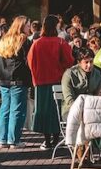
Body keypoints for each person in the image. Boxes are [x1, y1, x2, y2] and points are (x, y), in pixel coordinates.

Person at [27, 14, 75, 150]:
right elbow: (69, 61)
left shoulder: (36, 44)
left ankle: (46, 140)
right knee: (57, 111)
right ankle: (56, 138)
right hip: (58, 81)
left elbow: (30, 62)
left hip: (41, 82)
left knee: (43, 111)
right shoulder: (60, 43)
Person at [0, 15, 31, 148]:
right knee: (17, 109)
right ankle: (14, 140)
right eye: (28, 25)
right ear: (22, 26)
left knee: (5, 108)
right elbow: (28, 61)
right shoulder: (24, 40)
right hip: (18, 78)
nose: (29, 28)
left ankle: (2, 139)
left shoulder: (4, 39)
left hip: (3, 78)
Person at [61, 48, 101, 117]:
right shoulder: (69, 74)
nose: (89, 65)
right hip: (71, 110)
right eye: (86, 62)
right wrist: (81, 110)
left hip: (91, 109)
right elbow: (69, 99)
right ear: (79, 62)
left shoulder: (97, 73)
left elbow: (98, 96)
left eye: (91, 61)